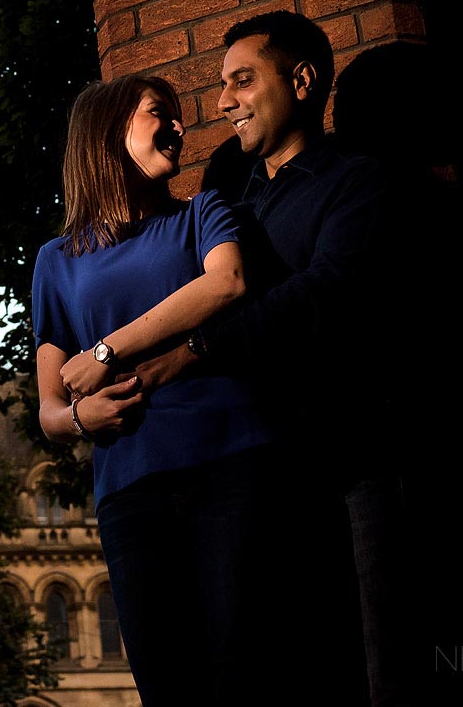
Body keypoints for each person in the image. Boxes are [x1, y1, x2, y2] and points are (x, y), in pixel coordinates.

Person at [129, 10, 413, 706]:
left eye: (241, 80)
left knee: (384, 666)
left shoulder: (360, 180)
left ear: (304, 79)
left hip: (357, 457)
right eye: (222, 84)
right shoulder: (230, 190)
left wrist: (197, 346)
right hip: (262, 466)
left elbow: (328, 291)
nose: (222, 100)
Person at [31, 73, 286, 705]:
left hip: (231, 463)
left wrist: (105, 351)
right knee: (168, 683)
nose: (178, 127)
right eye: (157, 114)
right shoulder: (55, 261)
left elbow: (225, 285)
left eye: (177, 116)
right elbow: (50, 412)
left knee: (246, 672)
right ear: (109, 131)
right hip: (130, 490)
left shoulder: (205, 211)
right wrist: (81, 419)